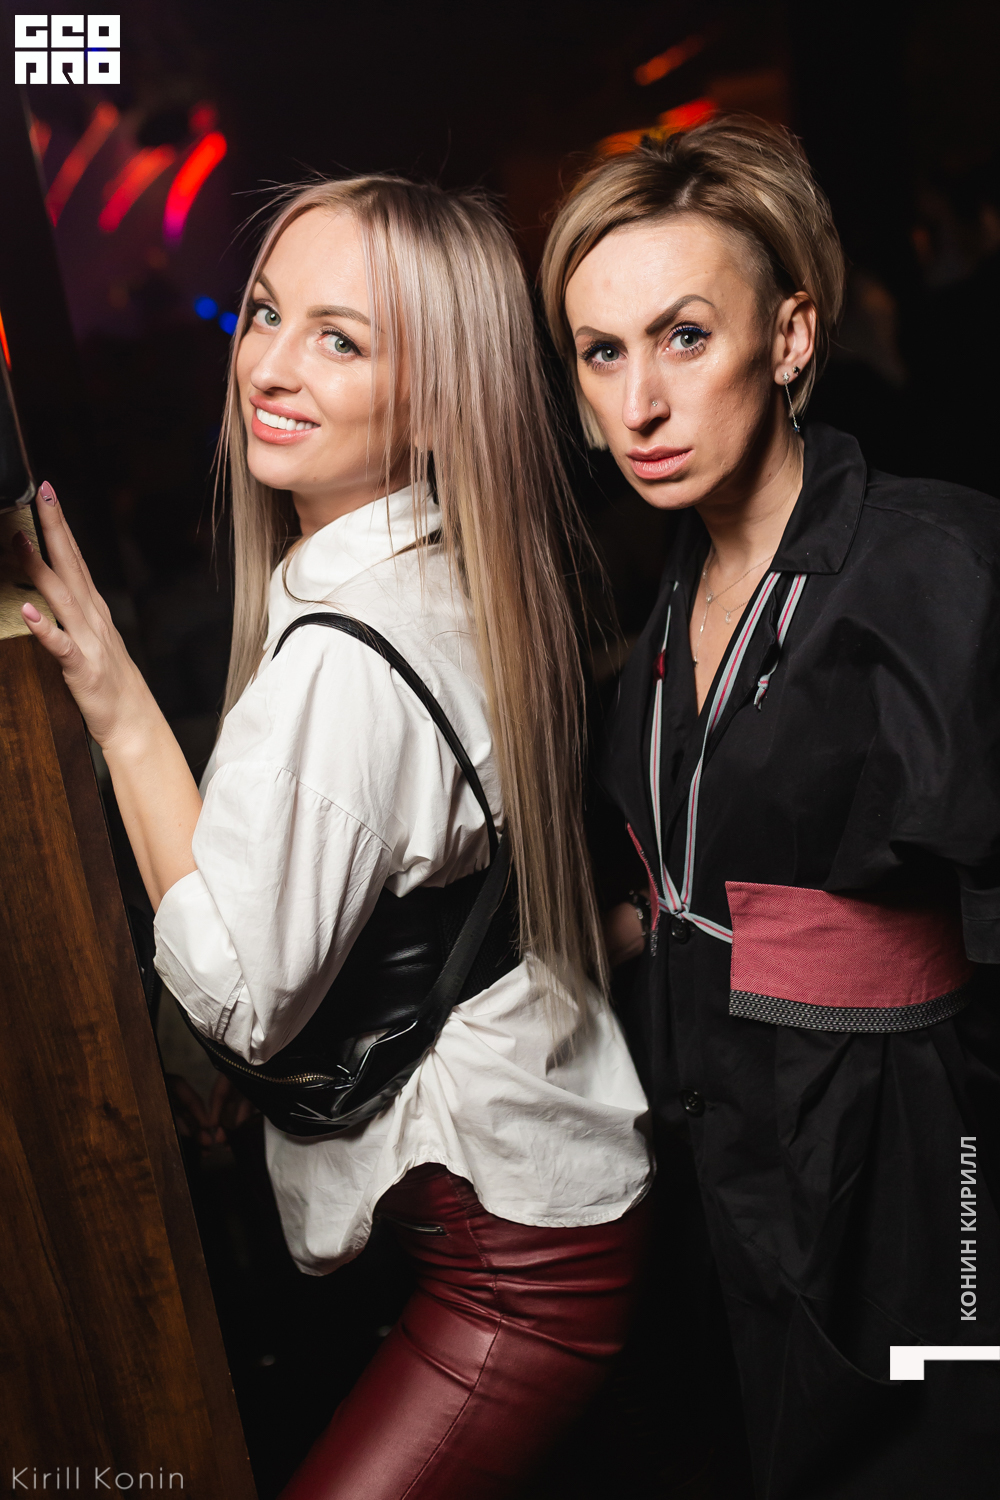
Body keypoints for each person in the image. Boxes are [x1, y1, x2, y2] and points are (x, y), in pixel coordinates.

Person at [16, 176, 653, 1499]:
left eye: (340, 339)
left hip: (522, 1277)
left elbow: (239, 999)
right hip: (532, 1214)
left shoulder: (346, 663)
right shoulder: (445, 572)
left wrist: (121, 712)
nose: (270, 365)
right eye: (264, 314)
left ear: (431, 400)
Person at [540, 116, 1000, 1498]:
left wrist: (969, 1222)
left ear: (790, 338)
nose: (639, 403)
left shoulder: (937, 567)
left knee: (942, 1451)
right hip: (728, 1162)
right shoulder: (662, 607)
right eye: (601, 353)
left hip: (922, 1182)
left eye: (684, 337)